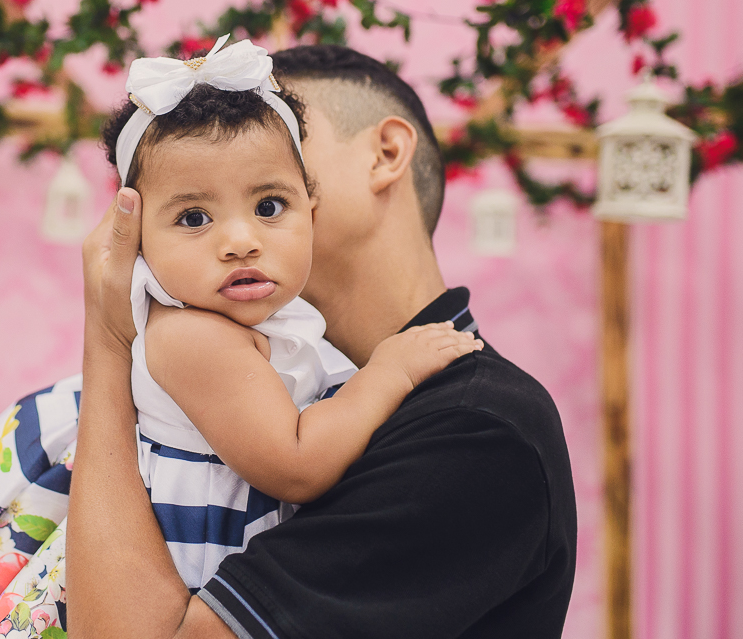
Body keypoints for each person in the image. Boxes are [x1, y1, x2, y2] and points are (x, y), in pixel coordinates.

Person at [69, 44, 578, 638]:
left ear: (385, 154)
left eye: (269, 187)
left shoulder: (479, 430)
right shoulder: (295, 375)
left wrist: (108, 341)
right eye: (193, 211)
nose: (237, 231)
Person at [101, 36, 481, 589]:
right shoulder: (190, 336)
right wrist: (389, 372)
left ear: (310, 204)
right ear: (135, 236)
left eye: (269, 206)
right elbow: (297, 463)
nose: (239, 241)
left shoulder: (277, 324)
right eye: (192, 218)